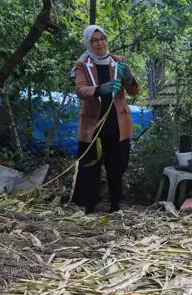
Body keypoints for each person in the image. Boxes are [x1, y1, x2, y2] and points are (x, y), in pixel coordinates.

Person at [71, 25, 139, 214]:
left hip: (117, 123)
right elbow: (80, 90)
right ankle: (89, 206)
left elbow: (134, 92)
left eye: (102, 38)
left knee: (118, 164)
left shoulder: (118, 62)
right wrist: (100, 89)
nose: (99, 43)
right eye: (94, 40)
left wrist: (130, 78)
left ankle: (115, 205)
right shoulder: (82, 64)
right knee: (90, 165)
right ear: (88, 43)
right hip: (93, 124)